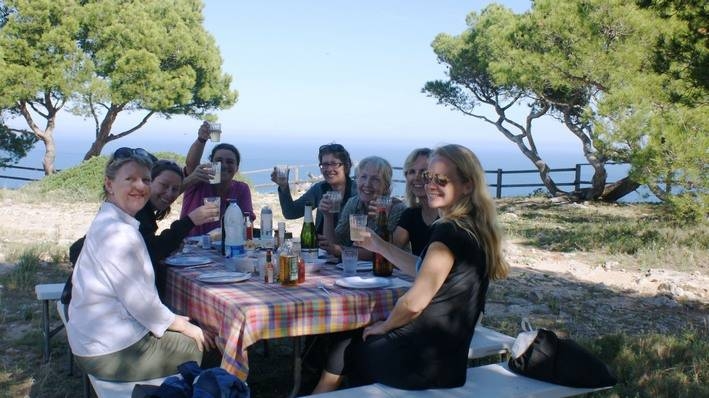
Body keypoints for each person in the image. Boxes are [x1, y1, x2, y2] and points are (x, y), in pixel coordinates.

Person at [311, 144, 510, 392]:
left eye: (442, 180)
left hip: (423, 363)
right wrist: (380, 245)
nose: (431, 185)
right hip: (448, 357)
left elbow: (413, 303)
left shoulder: (448, 230)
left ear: (467, 185)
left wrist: (384, 326)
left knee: (344, 348)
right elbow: (422, 268)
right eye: (429, 177)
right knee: (352, 344)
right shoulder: (471, 226)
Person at [67, 148, 213, 382]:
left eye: (145, 180)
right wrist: (181, 325)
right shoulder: (120, 234)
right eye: (130, 179)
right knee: (202, 343)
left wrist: (172, 320)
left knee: (193, 331)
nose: (140, 186)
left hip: (91, 338)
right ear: (109, 184)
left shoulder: (111, 218)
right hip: (110, 351)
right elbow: (141, 302)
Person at [321, 156, 406, 259]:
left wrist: (340, 251)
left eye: (375, 179)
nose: (367, 184)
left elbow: (387, 252)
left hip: (390, 272)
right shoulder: (353, 203)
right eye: (363, 177)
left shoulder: (397, 209)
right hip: (360, 270)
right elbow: (334, 244)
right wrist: (328, 216)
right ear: (357, 180)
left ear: (386, 186)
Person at [181, 122, 255, 236]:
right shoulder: (199, 181)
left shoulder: (242, 188)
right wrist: (201, 139)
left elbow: (247, 221)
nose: (224, 165)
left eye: (230, 162)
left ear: (237, 168)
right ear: (212, 163)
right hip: (191, 248)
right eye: (219, 161)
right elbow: (191, 164)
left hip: (228, 246)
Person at [271, 143, 356, 234]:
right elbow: (291, 213)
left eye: (334, 164)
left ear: (346, 166)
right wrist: (284, 186)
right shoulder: (320, 189)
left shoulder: (357, 193)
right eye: (325, 164)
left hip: (346, 248)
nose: (329, 169)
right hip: (319, 247)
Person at [392, 148, 437, 256]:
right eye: (412, 172)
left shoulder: (449, 217)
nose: (417, 177)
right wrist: (383, 218)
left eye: (424, 172)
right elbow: (392, 251)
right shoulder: (411, 214)